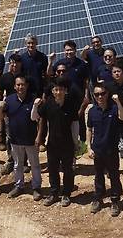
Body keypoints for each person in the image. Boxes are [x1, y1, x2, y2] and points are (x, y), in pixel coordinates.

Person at [34, 77, 80, 207]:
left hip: (67, 144)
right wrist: (35, 106)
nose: (58, 92)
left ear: (65, 91)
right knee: (53, 169)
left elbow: (75, 124)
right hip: (52, 143)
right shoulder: (48, 104)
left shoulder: (71, 105)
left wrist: (75, 142)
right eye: (56, 90)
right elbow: (36, 117)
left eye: (61, 89)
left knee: (68, 170)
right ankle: (54, 193)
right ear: (53, 91)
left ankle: (66, 194)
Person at [0, 75, 43, 201]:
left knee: (34, 165)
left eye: (22, 84)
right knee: (17, 165)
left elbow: (40, 120)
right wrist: (1, 107)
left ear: (27, 86)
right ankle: (19, 186)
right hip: (15, 139)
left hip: (30, 139)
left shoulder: (34, 100)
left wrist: (39, 136)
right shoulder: (9, 100)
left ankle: (36, 187)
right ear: (14, 86)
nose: (20, 87)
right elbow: (0, 117)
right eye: (18, 85)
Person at [87, 84, 123, 217]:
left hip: (111, 149)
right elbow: (89, 129)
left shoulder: (114, 109)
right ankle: (98, 197)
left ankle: (115, 200)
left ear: (107, 94)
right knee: (98, 175)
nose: (100, 97)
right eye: (97, 94)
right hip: (97, 149)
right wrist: (88, 147)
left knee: (114, 175)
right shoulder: (92, 111)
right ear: (94, 95)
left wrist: (118, 101)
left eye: (102, 93)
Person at [0, 53, 22, 157]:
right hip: (9, 110)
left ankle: (23, 160)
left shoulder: (24, 76)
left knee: (23, 134)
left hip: (22, 109)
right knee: (10, 135)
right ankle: (11, 158)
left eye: (16, 63)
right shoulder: (5, 77)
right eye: (12, 63)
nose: (15, 65)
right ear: (10, 64)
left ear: (20, 64)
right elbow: (0, 93)